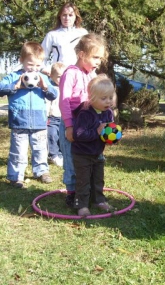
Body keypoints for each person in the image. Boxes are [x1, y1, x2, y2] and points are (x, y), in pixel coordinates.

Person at [0, 42, 58, 188]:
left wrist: (45, 87)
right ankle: (16, 176)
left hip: (39, 121)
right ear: (21, 60)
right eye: (30, 64)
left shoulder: (42, 78)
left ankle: (42, 171)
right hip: (19, 121)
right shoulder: (14, 76)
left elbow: (53, 94)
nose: (34, 69)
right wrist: (15, 86)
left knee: (40, 148)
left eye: (38, 65)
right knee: (18, 150)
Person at [59, 33, 108, 207]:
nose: (98, 61)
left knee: (92, 158)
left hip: (89, 125)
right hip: (71, 124)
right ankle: (73, 193)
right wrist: (69, 125)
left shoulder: (92, 75)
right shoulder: (70, 74)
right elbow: (64, 102)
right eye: (95, 57)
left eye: (100, 58)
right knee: (73, 160)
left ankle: (92, 193)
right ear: (82, 54)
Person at [72, 75, 115, 217]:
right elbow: (78, 134)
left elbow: (108, 132)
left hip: (97, 153)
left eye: (110, 97)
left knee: (98, 179)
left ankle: (98, 200)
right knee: (83, 181)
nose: (108, 101)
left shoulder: (108, 113)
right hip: (82, 154)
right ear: (92, 97)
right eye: (104, 98)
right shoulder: (85, 113)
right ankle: (82, 205)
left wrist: (112, 138)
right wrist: (96, 132)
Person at [41, 2, 88, 76]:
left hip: (78, 74)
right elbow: (42, 56)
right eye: (64, 15)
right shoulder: (52, 35)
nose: (67, 18)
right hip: (59, 76)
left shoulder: (82, 33)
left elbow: (88, 55)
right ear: (60, 16)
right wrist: (44, 69)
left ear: (76, 16)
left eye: (70, 15)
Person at [46, 62, 66, 167]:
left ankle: (61, 154)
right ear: (51, 76)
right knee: (52, 136)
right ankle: (53, 155)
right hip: (52, 118)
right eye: (58, 77)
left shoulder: (66, 88)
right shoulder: (50, 88)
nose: (61, 79)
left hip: (63, 118)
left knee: (62, 137)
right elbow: (47, 103)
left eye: (63, 77)